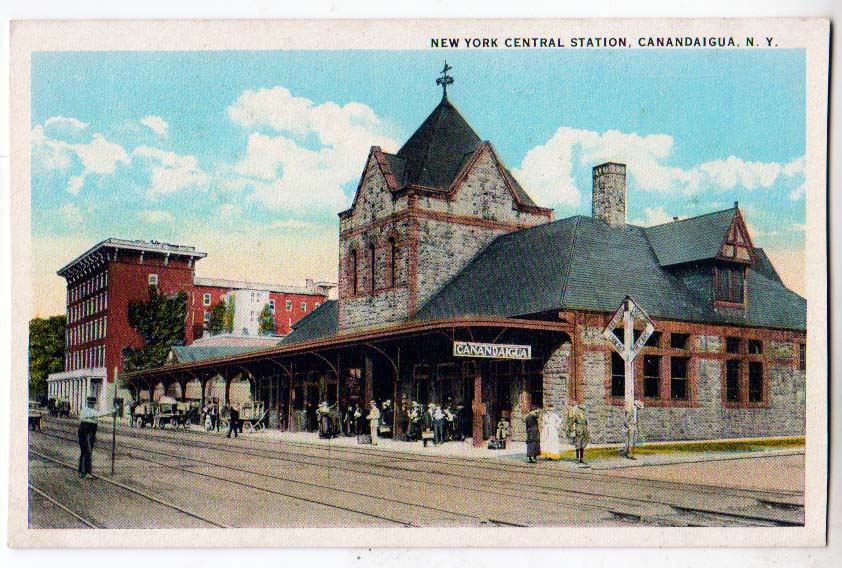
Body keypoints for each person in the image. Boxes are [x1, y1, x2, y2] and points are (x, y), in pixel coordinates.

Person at [77, 395, 115, 478]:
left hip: (92, 431)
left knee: (89, 451)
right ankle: (83, 471)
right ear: (88, 403)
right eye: (90, 403)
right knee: (86, 451)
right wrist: (111, 411)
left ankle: (87, 471)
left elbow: (96, 419)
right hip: (85, 430)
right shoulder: (86, 410)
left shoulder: (93, 410)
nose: (91, 405)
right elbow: (99, 414)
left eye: (92, 403)